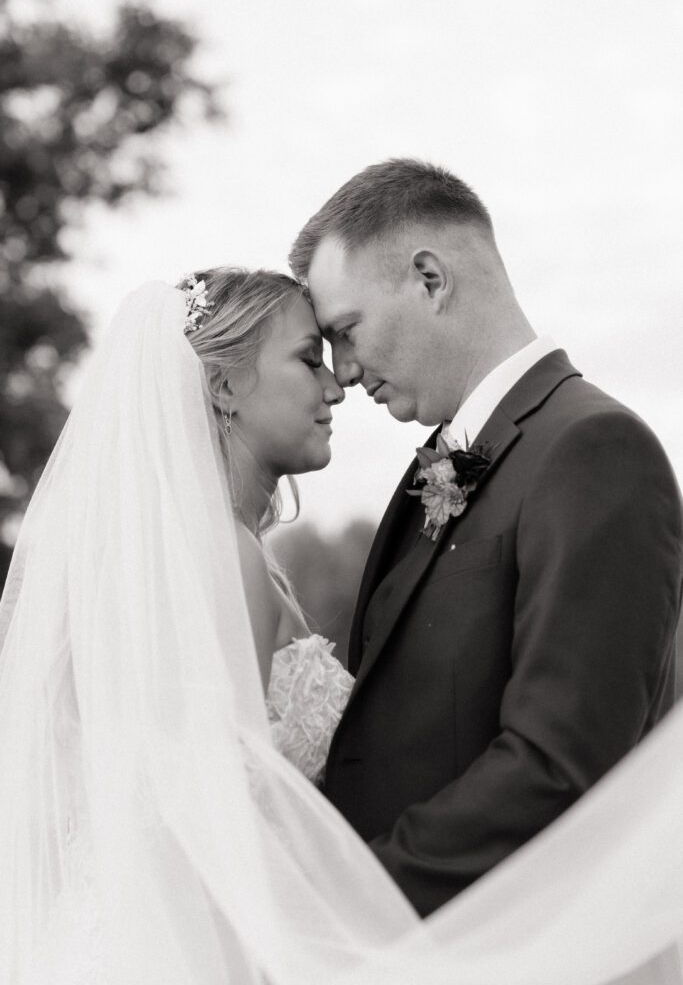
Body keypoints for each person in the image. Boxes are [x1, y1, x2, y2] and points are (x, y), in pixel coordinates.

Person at [2, 266, 683, 984]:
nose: (336, 387)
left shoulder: (223, 555)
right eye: (307, 359)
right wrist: (346, 927)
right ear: (223, 387)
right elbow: (196, 817)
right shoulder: (216, 561)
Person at [289, 157, 683, 918]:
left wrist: (352, 902)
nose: (341, 372)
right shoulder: (440, 463)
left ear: (430, 280)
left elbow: (559, 762)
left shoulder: (592, 449)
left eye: (346, 330)